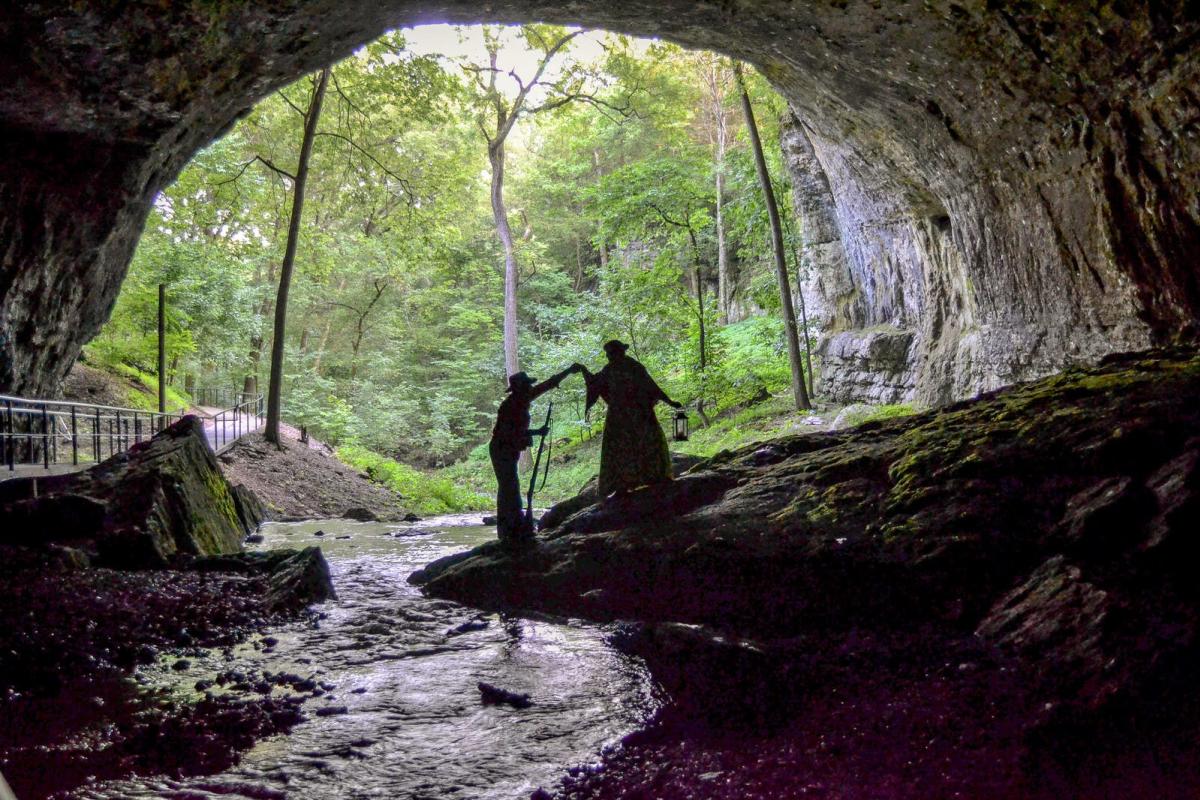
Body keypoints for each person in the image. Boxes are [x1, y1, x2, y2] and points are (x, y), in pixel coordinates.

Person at [489, 365, 582, 543]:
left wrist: (568, 371)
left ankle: (512, 527)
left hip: (508, 449)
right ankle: (511, 528)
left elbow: (549, 384)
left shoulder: (522, 399)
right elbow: (508, 433)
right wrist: (536, 432)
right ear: (521, 388)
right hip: (501, 449)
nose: (531, 388)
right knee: (509, 488)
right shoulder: (510, 405)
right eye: (527, 385)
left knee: (509, 487)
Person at [581, 340, 683, 497]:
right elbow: (596, 383)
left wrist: (669, 401)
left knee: (639, 445)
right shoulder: (612, 369)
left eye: (611, 354)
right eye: (608, 355)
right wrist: (583, 370)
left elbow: (651, 386)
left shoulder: (631, 368)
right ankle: (626, 483)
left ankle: (648, 478)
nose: (609, 357)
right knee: (626, 448)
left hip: (632, 414)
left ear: (619, 352)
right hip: (629, 415)